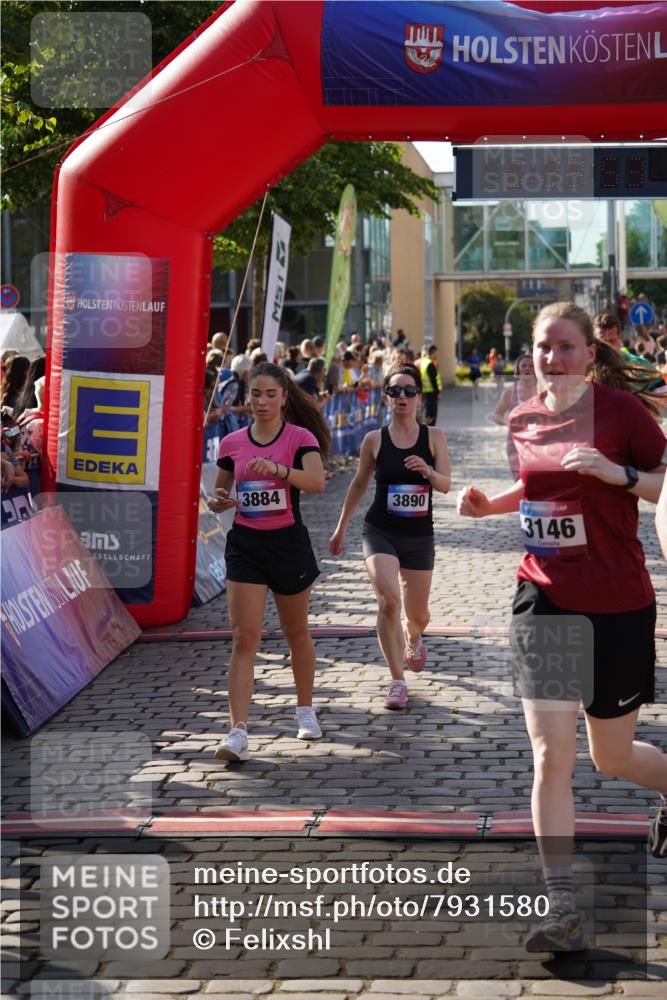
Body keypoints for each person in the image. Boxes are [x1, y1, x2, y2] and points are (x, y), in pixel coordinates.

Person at [458, 302, 667, 951]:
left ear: (588, 354)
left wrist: (622, 475)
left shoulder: (623, 413)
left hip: (617, 603)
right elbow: (534, 485)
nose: (552, 358)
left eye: (566, 347)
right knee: (551, 755)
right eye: (544, 346)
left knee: (610, 756)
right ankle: (561, 908)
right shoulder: (523, 416)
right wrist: (486, 503)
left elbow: (665, 483)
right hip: (544, 597)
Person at [207, 362, 331, 761]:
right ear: (247, 397)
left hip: (288, 544)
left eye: (270, 395)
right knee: (245, 637)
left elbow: (316, 482)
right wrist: (217, 501)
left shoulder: (300, 437)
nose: (261, 402)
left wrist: (279, 470)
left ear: (283, 397)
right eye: (255, 394)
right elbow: (218, 492)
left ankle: (305, 709)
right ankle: (237, 732)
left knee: (296, 632)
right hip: (246, 545)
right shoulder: (232, 443)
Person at [329, 365, 451, 709]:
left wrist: (428, 471)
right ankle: (397, 680)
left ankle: (413, 638)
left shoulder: (434, 437)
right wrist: (341, 528)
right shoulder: (374, 439)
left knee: (419, 615)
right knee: (387, 602)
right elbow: (358, 484)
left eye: (409, 391)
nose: (402, 398)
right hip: (379, 530)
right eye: (395, 391)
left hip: (418, 537)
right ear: (386, 397)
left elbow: (445, 485)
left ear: (419, 398)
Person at [491, 353, 538, 479]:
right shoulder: (510, 391)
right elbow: (496, 415)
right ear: (517, 370)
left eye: (531, 366)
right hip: (515, 442)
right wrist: (510, 422)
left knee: (535, 478)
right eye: (524, 366)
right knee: (519, 479)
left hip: (539, 441)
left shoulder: (543, 390)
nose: (528, 368)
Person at [418, 344, 443, 426]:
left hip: (425, 391)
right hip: (432, 392)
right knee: (432, 414)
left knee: (427, 413)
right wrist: (438, 392)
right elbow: (433, 380)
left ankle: (428, 429)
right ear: (433, 353)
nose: (436, 355)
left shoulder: (423, 362)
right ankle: (430, 431)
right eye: (436, 353)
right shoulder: (430, 364)